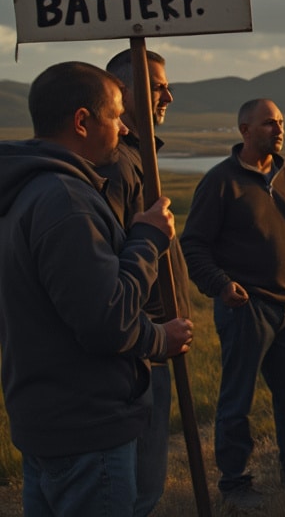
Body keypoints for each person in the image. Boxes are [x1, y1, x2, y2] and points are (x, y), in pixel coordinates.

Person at [0, 61, 192, 517]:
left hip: (45, 414)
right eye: (117, 116)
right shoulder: (66, 201)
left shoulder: (25, 190)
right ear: (83, 121)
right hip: (87, 421)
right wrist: (148, 241)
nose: (124, 127)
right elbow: (107, 320)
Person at [182, 98, 285, 510]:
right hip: (246, 309)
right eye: (268, 123)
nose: (278, 129)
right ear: (244, 130)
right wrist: (220, 285)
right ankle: (235, 484)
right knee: (237, 401)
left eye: (281, 122)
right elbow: (193, 244)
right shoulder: (220, 182)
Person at [99, 48, 194, 517]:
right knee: (136, 487)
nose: (169, 96)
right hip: (140, 348)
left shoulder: (138, 158)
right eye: (158, 86)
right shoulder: (118, 166)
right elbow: (113, 265)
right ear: (124, 92)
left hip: (155, 340)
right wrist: (152, 335)